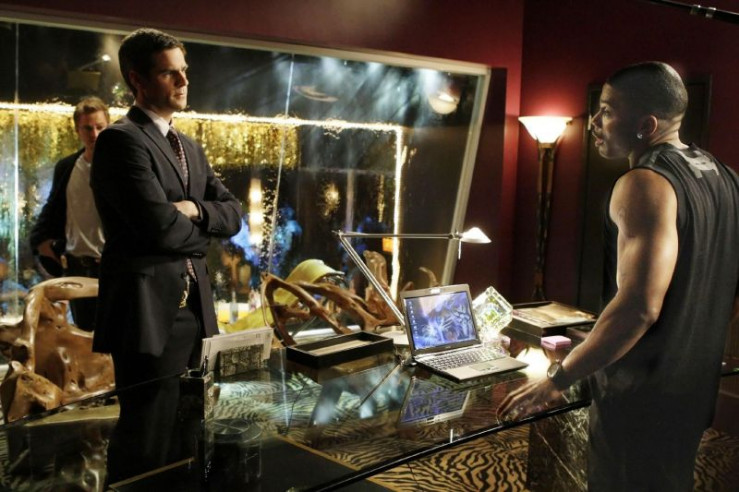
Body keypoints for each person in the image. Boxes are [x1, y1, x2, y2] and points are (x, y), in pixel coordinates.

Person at [499, 61, 739, 491]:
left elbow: (639, 308)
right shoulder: (725, 177)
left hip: (640, 401)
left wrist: (558, 379)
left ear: (646, 126)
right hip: (691, 393)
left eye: (607, 111)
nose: (594, 121)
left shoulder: (644, 184)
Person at [90, 28, 241, 482]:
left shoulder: (188, 146)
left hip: (195, 311)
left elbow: (233, 215)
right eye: (169, 73)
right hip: (148, 313)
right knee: (146, 439)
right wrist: (204, 232)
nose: (183, 81)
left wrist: (194, 209)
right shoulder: (120, 140)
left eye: (184, 71)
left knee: (188, 433)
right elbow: (158, 226)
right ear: (137, 80)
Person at [29, 96, 110, 331]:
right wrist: (42, 243)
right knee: (83, 336)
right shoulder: (67, 167)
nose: (94, 134)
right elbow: (52, 209)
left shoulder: (121, 168)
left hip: (112, 267)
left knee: (113, 338)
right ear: (77, 130)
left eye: (100, 127)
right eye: (87, 128)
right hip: (77, 266)